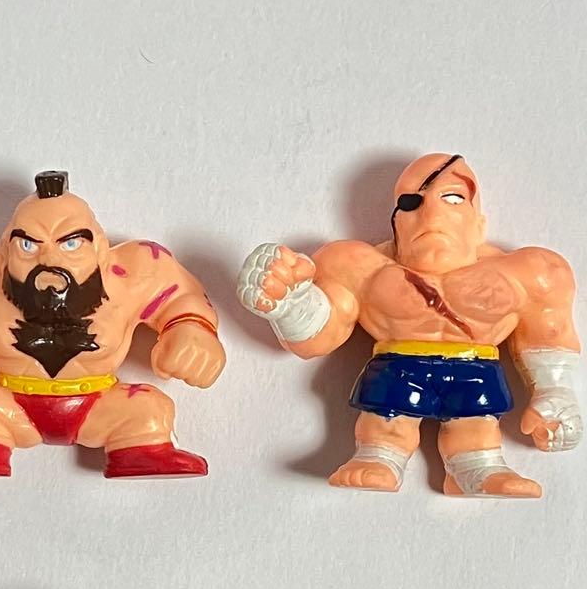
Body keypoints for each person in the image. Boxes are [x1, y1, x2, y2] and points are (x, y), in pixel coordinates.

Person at [238, 154, 581, 496]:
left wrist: (555, 391)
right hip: (399, 365)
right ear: (396, 223)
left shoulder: (527, 273)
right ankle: (379, 458)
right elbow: (322, 334)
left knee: (477, 427)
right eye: (411, 202)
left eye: (452, 198)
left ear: (479, 223)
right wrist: (291, 303)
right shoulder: (361, 267)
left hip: (475, 368)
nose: (431, 213)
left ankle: (477, 468)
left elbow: (548, 328)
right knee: (387, 424)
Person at [0, 171, 226, 477]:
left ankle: (142, 452)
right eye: (28, 245)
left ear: (101, 249)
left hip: (101, 403)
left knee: (149, 410)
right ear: (4, 249)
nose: (48, 260)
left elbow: (182, 301)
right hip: (7, 405)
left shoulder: (136, 271)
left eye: (70, 244)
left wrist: (192, 333)